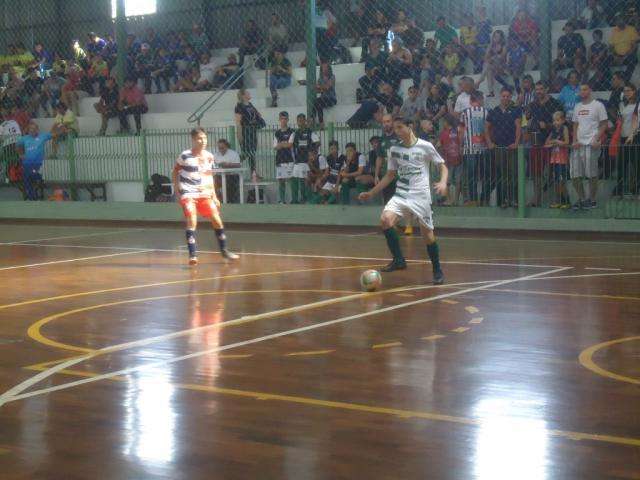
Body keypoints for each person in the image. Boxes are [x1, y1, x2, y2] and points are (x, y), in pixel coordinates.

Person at [359, 117, 448, 284]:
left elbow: (442, 165)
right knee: (385, 220)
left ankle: (437, 269)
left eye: (400, 128)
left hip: (421, 196)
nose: (397, 131)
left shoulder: (425, 146)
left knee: (427, 235)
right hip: (401, 194)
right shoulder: (394, 149)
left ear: (410, 126)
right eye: (395, 128)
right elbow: (390, 175)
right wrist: (371, 193)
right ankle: (399, 260)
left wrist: (443, 182)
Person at [172, 127, 239, 266]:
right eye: (199, 138)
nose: (203, 141)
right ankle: (192, 255)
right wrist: (177, 189)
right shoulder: (185, 156)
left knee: (217, 219)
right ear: (193, 140)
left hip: (204, 193)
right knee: (192, 219)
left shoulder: (209, 156)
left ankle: (224, 251)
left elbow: (209, 177)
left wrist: (214, 196)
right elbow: (175, 171)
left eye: (205, 138)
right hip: (188, 192)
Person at [528, 80, 565, 207]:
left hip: (553, 143)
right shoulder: (532, 105)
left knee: (555, 172)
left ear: (547, 89)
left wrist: (547, 125)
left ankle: (558, 199)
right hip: (536, 143)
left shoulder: (555, 104)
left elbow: (561, 124)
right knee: (536, 172)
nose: (538, 91)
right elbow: (528, 120)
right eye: (536, 89)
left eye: (541, 89)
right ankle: (536, 199)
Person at [571, 83, 608, 210]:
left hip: (591, 145)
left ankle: (592, 200)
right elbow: (575, 125)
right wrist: (574, 140)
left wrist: (596, 138)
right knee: (574, 175)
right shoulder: (577, 106)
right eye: (580, 89)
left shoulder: (598, 105)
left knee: (592, 174)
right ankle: (582, 199)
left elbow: (604, 124)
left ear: (590, 90)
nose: (583, 91)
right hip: (578, 146)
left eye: (585, 89)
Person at [487, 87, 522, 208]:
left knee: (514, 174)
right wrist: (489, 143)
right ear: (500, 97)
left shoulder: (516, 110)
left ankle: (515, 200)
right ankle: (503, 201)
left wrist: (516, 143)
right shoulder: (494, 111)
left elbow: (518, 127)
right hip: (498, 148)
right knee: (502, 175)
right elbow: (486, 128)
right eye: (503, 96)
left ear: (511, 97)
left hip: (512, 148)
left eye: (508, 96)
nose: (505, 98)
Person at [459, 90, 492, 205]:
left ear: (470, 100)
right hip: (484, 148)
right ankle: (485, 199)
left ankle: (473, 200)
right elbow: (490, 129)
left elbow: (462, 130)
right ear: (480, 100)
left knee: (471, 176)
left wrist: (461, 145)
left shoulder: (465, 113)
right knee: (485, 176)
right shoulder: (486, 112)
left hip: (469, 148)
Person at [234, 88, 265, 180]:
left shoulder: (250, 105)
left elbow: (257, 114)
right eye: (247, 93)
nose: (249, 94)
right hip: (245, 131)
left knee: (252, 153)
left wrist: (258, 117)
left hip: (252, 130)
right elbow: (238, 121)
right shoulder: (239, 106)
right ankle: (233, 162)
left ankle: (254, 173)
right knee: (247, 152)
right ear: (243, 96)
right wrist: (240, 135)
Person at [16, 122, 51, 201]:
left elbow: (53, 134)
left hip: (38, 164)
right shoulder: (24, 138)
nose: (32, 130)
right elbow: (17, 146)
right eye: (31, 129)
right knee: (26, 177)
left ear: (37, 130)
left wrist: (63, 130)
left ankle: (32, 196)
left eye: (34, 129)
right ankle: (32, 197)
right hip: (27, 164)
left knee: (32, 175)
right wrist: (21, 154)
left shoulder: (43, 136)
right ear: (28, 130)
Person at [289, 113, 320, 203]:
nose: (301, 122)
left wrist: (312, 153)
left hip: (307, 161)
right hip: (297, 161)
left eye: (302, 120)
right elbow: (291, 146)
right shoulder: (295, 133)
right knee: (294, 179)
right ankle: (294, 200)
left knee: (304, 180)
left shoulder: (310, 132)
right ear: (297, 122)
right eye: (299, 121)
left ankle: (304, 198)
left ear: (305, 121)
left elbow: (318, 142)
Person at [616, 83, 639, 197]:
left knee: (636, 165)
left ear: (634, 91)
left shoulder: (638, 105)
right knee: (621, 165)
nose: (626, 93)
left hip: (634, 137)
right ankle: (619, 189)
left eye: (629, 91)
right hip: (623, 137)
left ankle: (637, 189)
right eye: (625, 91)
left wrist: (632, 135)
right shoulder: (622, 105)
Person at [545, 111, 571, 208]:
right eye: (554, 120)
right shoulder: (553, 131)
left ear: (563, 120)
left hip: (562, 160)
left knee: (561, 181)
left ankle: (566, 201)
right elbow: (546, 143)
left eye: (558, 120)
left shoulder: (564, 128)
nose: (556, 122)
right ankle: (559, 201)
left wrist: (556, 141)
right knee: (555, 181)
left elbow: (567, 142)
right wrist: (554, 142)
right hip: (554, 159)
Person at [438, 114, 463, 206]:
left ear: (446, 122)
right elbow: (461, 143)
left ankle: (450, 200)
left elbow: (439, 145)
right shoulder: (457, 131)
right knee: (458, 181)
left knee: (447, 181)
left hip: (448, 160)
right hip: (458, 159)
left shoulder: (444, 133)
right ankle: (455, 200)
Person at [610, 15, 640, 82]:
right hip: (617, 56)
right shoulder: (614, 30)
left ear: (625, 21)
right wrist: (615, 56)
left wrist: (624, 57)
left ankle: (625, 80)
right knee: (605, 60)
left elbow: (634, 46)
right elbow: (611, 46)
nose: (619, 22)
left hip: (628, 55)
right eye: (617, 20)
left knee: (633, 59)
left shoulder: (631, 29)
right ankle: (609, 82)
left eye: (621, 20)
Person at [273, 111, 294, 204]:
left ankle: (293, 199)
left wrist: (281, 144)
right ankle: (282, 200)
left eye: (285, 119)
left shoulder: (292, 132)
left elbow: (290, 145)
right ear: (279, 120)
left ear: (288, 119)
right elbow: (275, 147)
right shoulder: (277, 133)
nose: (283, 121)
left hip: (289, 159)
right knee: (281, 180)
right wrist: (283, 144)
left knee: (291, 180)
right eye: (282, 119)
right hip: (279, 159)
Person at [214, 138, 242, 204]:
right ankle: (219, 199)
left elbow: (238, 165)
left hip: (232, 175)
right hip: (219, 176)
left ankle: (229, 201)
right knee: (212, 183)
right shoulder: (216, 155)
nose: (221, 150)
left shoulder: (233, 154)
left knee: (229, 186)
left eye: (222, 148)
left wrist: (228, 164)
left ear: (227, 146)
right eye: (219, 148)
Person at [312, 62, 336, 127]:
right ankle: (319, 122)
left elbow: (327, 87)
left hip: (331, 98)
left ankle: (315, 121)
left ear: (329, 68)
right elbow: (317, 90)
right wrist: (320, 88)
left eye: (326, 67)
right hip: (323, 98)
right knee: (317, 103)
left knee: (317, 102)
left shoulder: (332, 77)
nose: (324, 69)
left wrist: (319, 87)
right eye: (323, 68)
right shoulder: (320, 79)